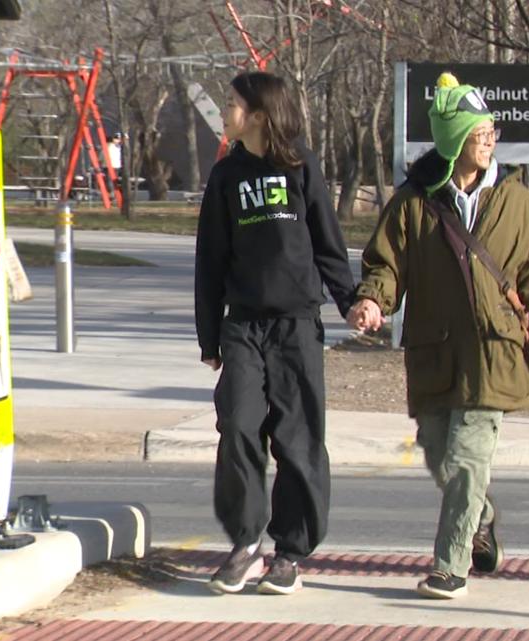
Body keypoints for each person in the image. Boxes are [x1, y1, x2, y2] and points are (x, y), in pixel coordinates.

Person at [347, 72, 529, 600]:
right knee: (439, 456)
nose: (490, 140)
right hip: (434, 354)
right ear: (453, 139)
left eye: (492, 131)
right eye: (479, 131)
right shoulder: (412, 204)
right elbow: (386, 264)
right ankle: (481, 518)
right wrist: (373, 299)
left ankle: (451, 564)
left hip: (495, 353)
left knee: (467, 461)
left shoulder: (518, 202)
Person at [195, 71, 356, 596]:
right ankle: (245, 543)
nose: (225, 111)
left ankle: (289, 552)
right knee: (238, 425)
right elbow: (210, 260)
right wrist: (209, 338)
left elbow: (329, 247)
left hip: (296, 328)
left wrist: (351, 302)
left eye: (233, 104)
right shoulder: (225, 176)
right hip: (243, 326)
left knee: (298, 439)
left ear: (259, 115)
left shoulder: (302, 166)